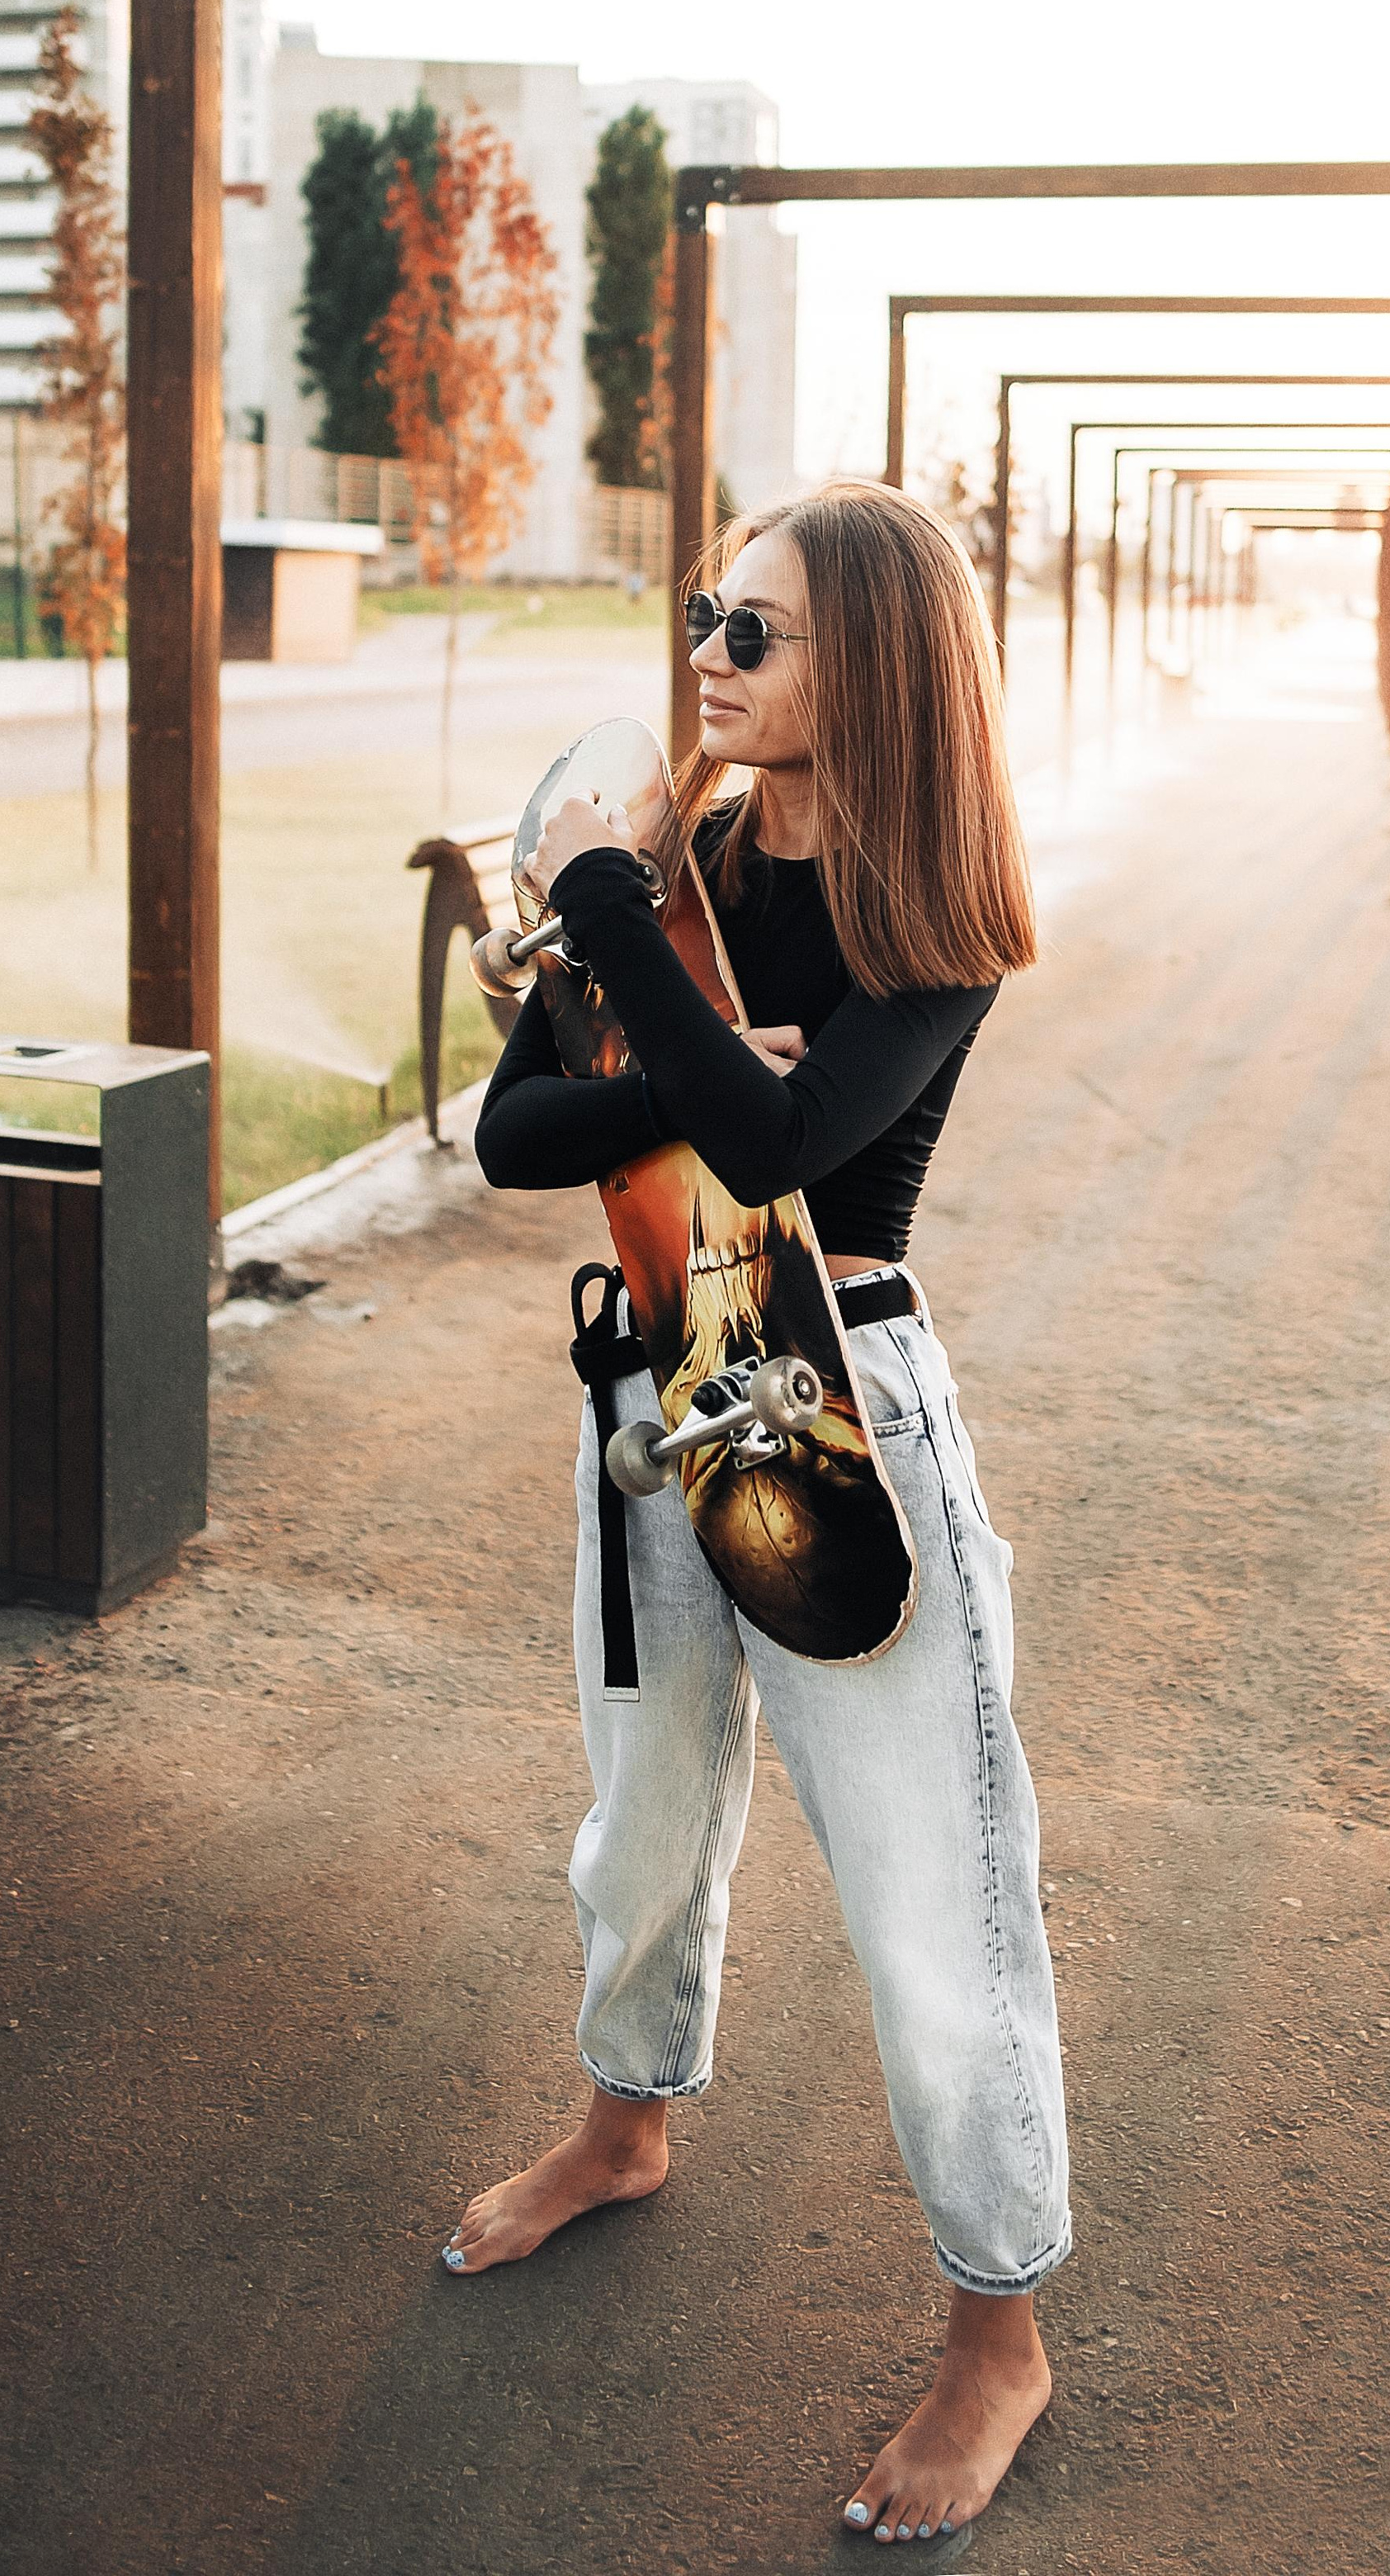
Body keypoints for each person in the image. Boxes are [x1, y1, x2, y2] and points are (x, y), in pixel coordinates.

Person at [456, 481, 1068, 2546]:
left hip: (833, 1411)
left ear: (871, 670)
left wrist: (614, 912)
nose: (706, 653)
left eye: (759, 630)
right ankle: (625, 2124)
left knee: (926, 1894)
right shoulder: (693, 863)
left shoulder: (932, 913)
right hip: (646, 1388)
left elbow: (795, 1134)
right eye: (709, 613)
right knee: (639, 1826)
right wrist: (670, 1034)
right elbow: (511, 1131)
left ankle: (997, 2334)